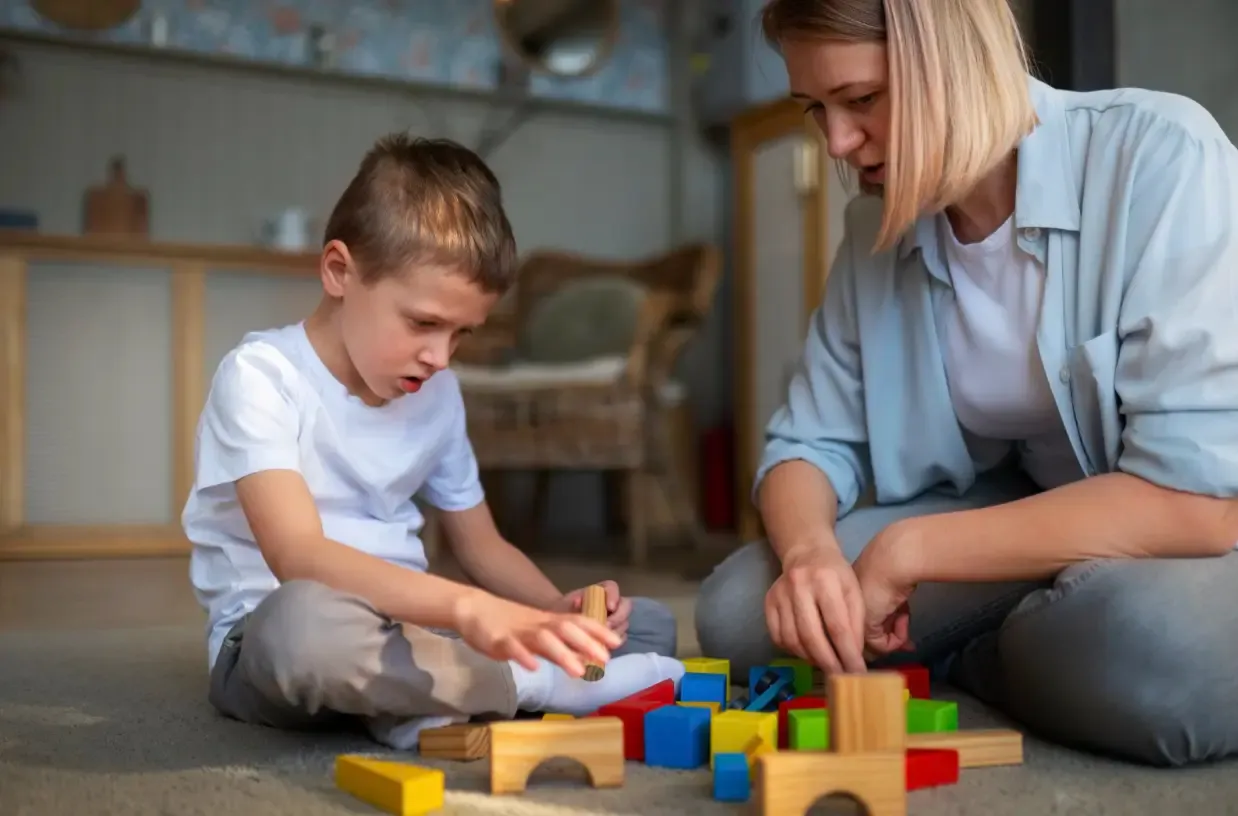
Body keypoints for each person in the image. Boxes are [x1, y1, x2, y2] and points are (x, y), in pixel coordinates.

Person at [695, 0, 1238, 768]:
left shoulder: (1162, 155)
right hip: (1028, 513)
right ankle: (1035, 646)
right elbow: (806, 445)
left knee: (1151, 652)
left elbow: (1200, 501)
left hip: (1196, 528)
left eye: (863, 100)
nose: (839, 144)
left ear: (952, 59)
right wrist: (812, 553)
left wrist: (912, 549)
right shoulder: (872, 231)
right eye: (817, 109)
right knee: (742, 617)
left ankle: (989, 654)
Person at [182, 134, 683, 750]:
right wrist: (473, 611)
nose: (440, 357)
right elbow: (300, 558)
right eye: (423, 323)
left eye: (461, 334)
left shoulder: (437, 393)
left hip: (415, 632)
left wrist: (556, 611)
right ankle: (535, 688)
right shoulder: (260, 377)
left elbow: (482, 546)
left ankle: (424, 696)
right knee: (303, 632)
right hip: (273, 638)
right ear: (340, 272)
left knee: (647, 627)